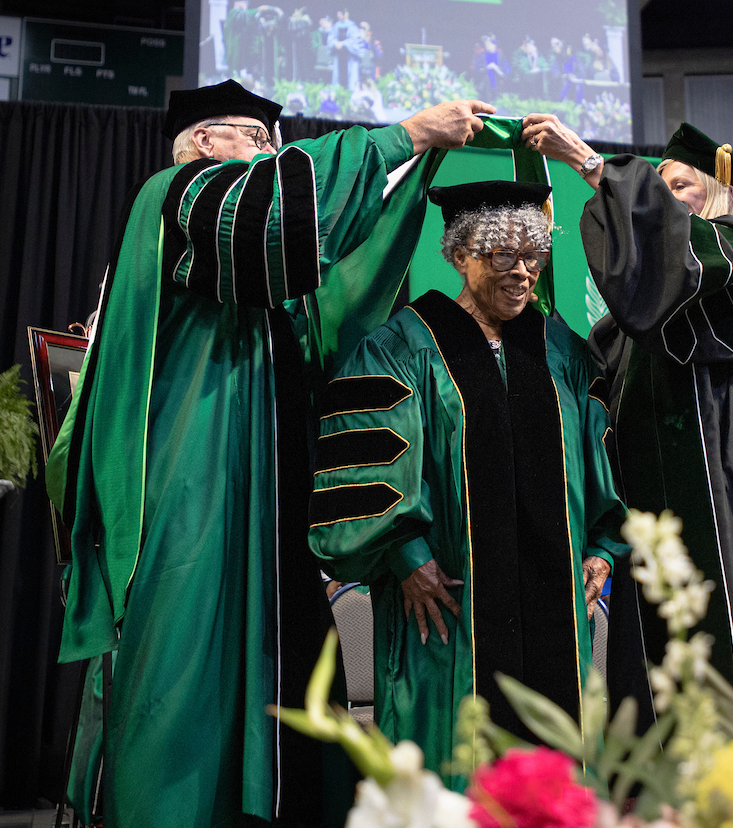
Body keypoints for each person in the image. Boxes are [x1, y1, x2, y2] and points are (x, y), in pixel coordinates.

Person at [47, 79, 494, 827]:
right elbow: (280, 213)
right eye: (258, 141)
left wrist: (414, 167)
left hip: (265, 492)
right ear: (205, 142)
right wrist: (405, 135)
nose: (275, 154)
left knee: (273, 674)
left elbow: (328, 273)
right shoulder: (178, 195)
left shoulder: (248, 258)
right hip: (194, 485)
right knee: (187, 672)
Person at [308, 180, 628, 786]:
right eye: (503, 255)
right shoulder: (403, 344)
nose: (523, 273)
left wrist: (603, 552)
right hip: (447, 601)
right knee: (452, 760)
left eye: (533, 255)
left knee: (556, 760)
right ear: (458, 254)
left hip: (554, 607)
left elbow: (599, 460)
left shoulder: (558, 347)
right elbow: (364, 460)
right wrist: (406, 555)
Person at [522, 115, 733, 717]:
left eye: (679, 188)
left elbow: (681, 262)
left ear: (718, 191)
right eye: (658, 188)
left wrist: (590, 163)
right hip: (654, 505)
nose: (662, 201)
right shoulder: (640, 321)